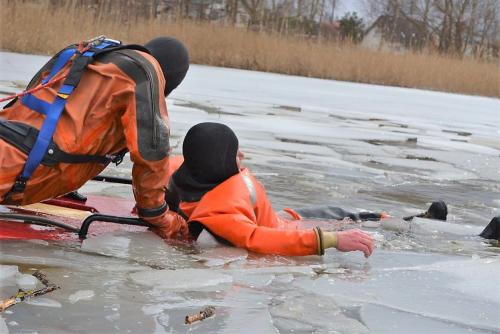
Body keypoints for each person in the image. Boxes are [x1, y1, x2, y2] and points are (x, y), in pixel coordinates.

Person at [0, 36, 190, 239]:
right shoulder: (144, 72)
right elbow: (152, 153)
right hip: (17, 170)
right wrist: (160, 216)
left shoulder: (87, 53)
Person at [166, 122, 374, 257]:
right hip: (286, 229)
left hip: (284, 219)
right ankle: (392, 222)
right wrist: (331, 239)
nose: (242, 155)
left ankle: (382, 219)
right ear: (217, 162)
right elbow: (256, 238)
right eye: (234, 153)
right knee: (348, 217)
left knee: (340, 213)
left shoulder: (190, 174)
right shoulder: (218, 214)